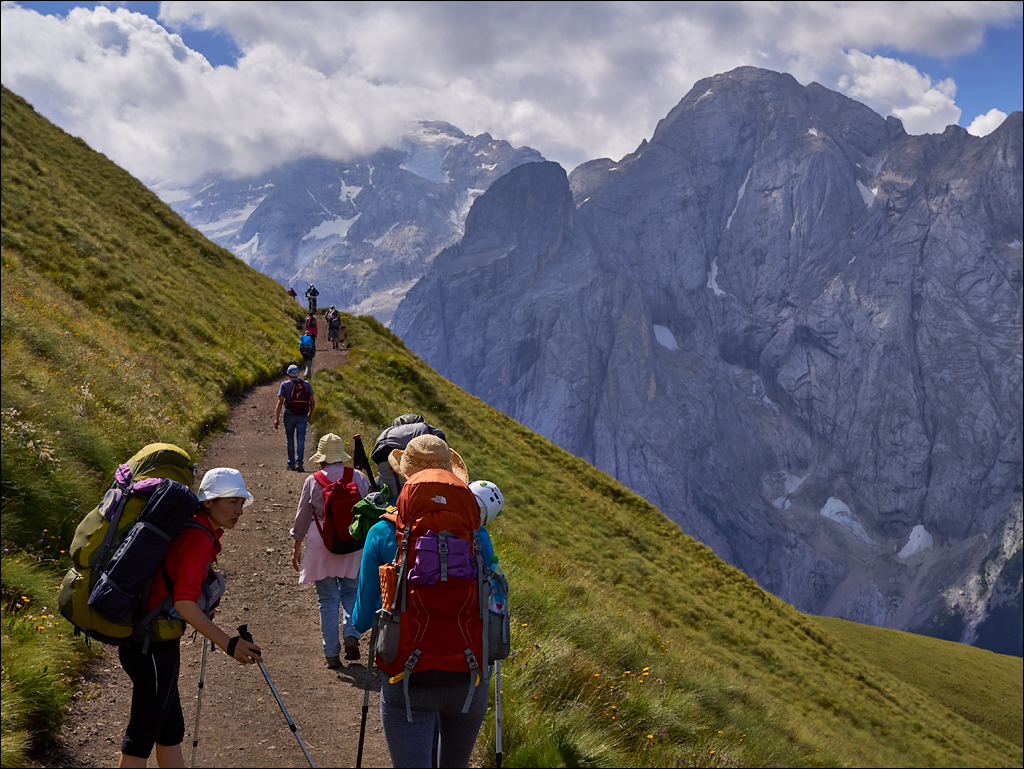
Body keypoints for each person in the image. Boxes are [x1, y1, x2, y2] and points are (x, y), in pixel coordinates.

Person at [352, 435, 496, 769]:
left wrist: (354, 627)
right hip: (468, 672)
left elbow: (363, 615)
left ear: (404, 476)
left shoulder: (382, 532)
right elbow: (495, 592)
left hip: (407, 676)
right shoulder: (476, 533)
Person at [117, 468, 262, 769]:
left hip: (152, 641)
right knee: (141, 737)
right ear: (208, 502)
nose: (239, 510)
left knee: (170, 730)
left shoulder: (194, 529)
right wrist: (229, 644)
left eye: (241, 502)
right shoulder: (198, 538)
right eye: (231, 501)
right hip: (151, 645)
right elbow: (184, 602)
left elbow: (176, 593)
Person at [291, 433, 371, 668]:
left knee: (327, 600)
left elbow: (303, 517)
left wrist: (297, 545)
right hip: (352, 541)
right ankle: (351, 635)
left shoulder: (313, 480)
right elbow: (367, 509)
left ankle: (331, 655)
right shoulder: (357, 476)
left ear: (322, 458)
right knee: (351, 592)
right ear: (341, 457)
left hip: (321, 544)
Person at [274, 364, 315, 472]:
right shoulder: (306, 384)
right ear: (298, 374)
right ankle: (299, 463)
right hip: (303, 415)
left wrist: (276, 418)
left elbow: (280, 402)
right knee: (301, 439)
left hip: (289, 414)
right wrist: (309, 415)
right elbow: (313, 402)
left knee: (290, 439)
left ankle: (291, 463)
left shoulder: (284, 385)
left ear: (288, 374)